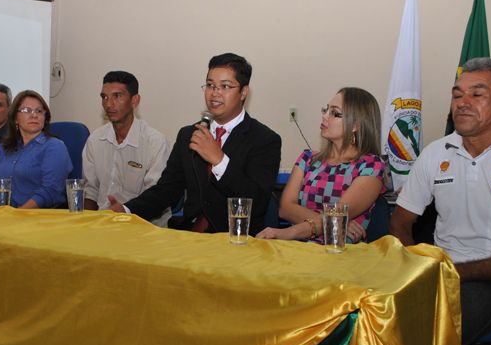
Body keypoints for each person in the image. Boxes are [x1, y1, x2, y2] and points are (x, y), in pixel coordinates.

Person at [389, 57, 491, 345]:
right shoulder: (435, 153)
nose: (462, 103)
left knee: (431, 331)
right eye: (457, 95)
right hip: (441, 273)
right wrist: (417, 265)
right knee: (375, 314)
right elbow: (400, 223)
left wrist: (458, 271)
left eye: (477, 94)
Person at [109, 53, 281, 235]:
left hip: (235, 239)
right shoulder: (189, 135)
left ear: (243, 92)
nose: (215, 93)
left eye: (225, 86)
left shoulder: (264, 139)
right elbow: (167, 189)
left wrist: (219, 160)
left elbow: (257, 202)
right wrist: (127, 210)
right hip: (190, 235)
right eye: (210, 85)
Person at [256, 87, 386, 242]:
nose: (325, 116)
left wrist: (287, 233)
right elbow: (285, 209)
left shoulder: (371, 166)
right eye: (326, 110)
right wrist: (334, 221)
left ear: (355, 125)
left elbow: (337, 214)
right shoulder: (308, 158)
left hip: (340, 254)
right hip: (299, 249)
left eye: (335, 113)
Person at [82, 71, 170, 225]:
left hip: (143, 226)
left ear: (134, 101)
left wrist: (124, 211)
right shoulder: (95, 140)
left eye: (117, 96)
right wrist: (87, 223)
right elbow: (90, 191)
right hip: (102, 224)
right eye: (104, 97)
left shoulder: (155, 143)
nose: (109, 104)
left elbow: (156, 198)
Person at [0, 90, 72, 208]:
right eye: (27, 110)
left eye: (39, 111)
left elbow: (50, 191)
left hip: (35, 217)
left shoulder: (54, 147)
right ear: (15, 118)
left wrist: (17, 214)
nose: (34, 115)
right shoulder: (4, 147)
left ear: (45, 117)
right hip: (1, 216)